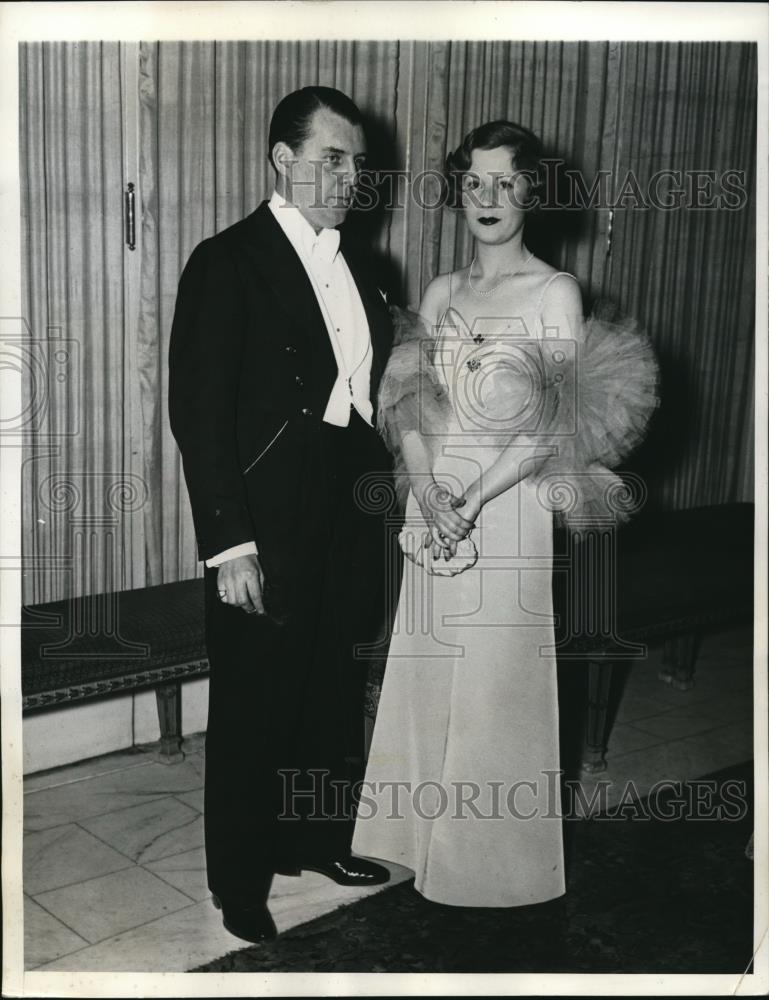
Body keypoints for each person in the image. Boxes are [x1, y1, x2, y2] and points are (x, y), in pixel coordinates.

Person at [351, 120, 658, 906]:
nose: (487, 198)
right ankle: (416, 841)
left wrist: (473, 497)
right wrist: (424, 489)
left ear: (532, 192)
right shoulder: (443, 290)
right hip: (435, 498)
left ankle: (491, 866)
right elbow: (407, 402)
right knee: (426, 670)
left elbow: (555, 427)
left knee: (494, 683)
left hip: (508, 499)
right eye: (473, 182)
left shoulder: (553, 290)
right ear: (458, 192)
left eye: (506, 182)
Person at [168, 87, 395, 943]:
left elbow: (369, 400)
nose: (348, 177)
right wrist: (230, 545)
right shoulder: (227, 261)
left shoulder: (366, 270)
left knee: (333, 683)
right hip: (264, 513)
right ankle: (239, 879)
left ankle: (319, 841)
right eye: (332, 158)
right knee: (256, 699)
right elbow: (198, 411)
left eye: (357, 163)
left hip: (344, 504)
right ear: (281, 161)